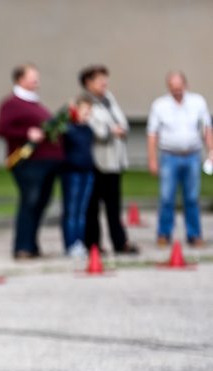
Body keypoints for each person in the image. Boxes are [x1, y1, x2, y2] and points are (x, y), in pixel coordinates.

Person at [0, 64, 64, 258]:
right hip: (29, 162)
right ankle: (22, 247)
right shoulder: (11, 103)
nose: (36, 80)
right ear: (20, 79)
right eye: (32, 76)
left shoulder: (35, 103)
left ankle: (32, 245)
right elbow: (2, 129)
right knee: (30, 201)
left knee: (41, 202)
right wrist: (26, 133)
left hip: (47, 161)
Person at [147, 71, 213, 247]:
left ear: (186, 85)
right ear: (169, 87)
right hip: (169, 156)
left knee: (192, 197)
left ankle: (194, 234)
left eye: (179, 87)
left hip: (192, 155)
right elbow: (152, 134)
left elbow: (207, 128)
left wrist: (211, 150)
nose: (177, 91)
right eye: (173, 88)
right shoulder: (160, 105)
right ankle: (163, 233)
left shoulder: (197, 102)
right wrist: (152, 159)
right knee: (167, 197)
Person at [80, 65, 138, 256]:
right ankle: (93, 244)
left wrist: (117, 129)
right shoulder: (84, 102)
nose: (104, 83)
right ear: (88, 83)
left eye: (105, 79)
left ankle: (120, 242)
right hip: (97, 162)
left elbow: (123, 123)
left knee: (114, 205)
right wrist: (112, 130)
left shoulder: (109, 99)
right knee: (93, 206)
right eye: (99, 80)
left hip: (114, 161)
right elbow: (96, 130)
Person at [60, 96, 95, 258]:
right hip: (72, 173)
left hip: (87, 172)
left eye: (89, 111)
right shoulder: (68, 129)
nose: (88, 114)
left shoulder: (88, 129)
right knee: (72, 211)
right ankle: (70, 243)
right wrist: (68, 112)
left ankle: (79, 242)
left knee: (82, 212)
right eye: (84, 111)